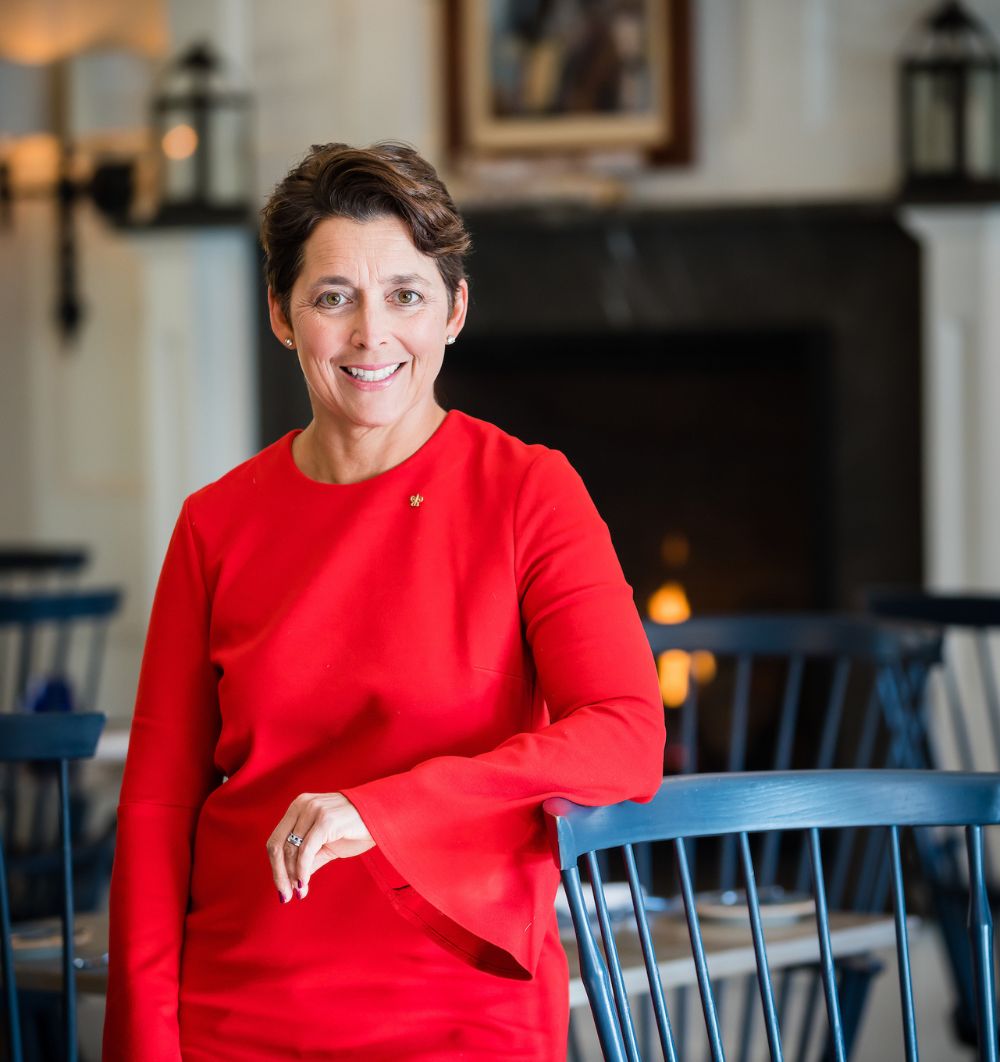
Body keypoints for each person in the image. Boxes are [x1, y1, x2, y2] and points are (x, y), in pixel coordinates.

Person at [102, 141, 665, 1061]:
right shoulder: (215, 524)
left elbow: (625, 737)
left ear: (455, 310)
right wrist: (143, 1044)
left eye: (406, 294)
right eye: (334, 298)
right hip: (238, 1008)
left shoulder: (531, 492)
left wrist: (384, 808)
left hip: (464, 1004)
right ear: (282, 316)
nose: (372, 335)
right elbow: (159, 812)